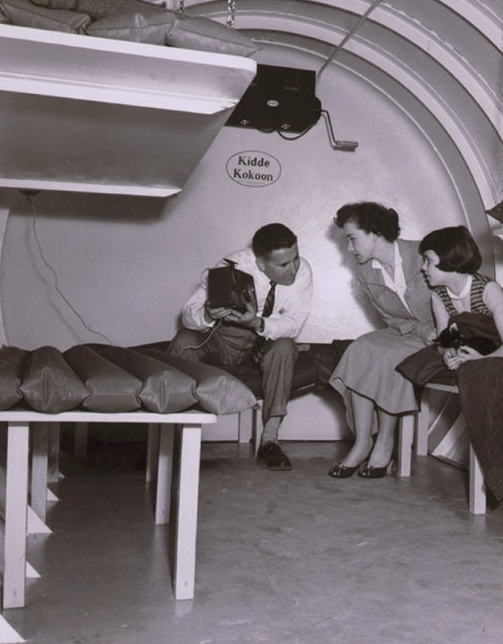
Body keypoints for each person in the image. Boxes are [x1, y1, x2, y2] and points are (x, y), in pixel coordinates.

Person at [167, 222, 312, 470]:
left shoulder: (303, 272)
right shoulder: (229, 267)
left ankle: (270, 440)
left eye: (295, 258)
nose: (293, 269)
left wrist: (256, 321)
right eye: (283, 265)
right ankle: (170, 440)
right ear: (261, 263)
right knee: (183, 342)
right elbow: (188, 315)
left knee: (286, 347)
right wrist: (209, 313)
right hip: (222, 339)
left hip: (262, 342)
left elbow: (294, 323)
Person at [328, 202, 436, 479]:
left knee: (388, 358)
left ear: (375, 233)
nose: (350, 249)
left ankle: (384, 443)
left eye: (352, 238)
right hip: (412, 332)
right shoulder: (364, 271)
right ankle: (363, 442)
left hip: (443, 333)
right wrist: (419, 330)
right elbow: (392, 319)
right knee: (360, 349)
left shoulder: (424, 252)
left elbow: (471, 284)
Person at [418, 225, 503, 368]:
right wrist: (447, 353)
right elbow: (443, 341)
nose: (423, 267)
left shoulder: (488, 289)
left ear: (449, 259)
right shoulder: (438, 297)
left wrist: (483, 360)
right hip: (476, 349)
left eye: (428, 260)